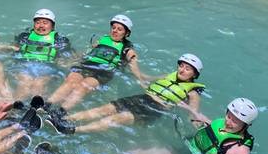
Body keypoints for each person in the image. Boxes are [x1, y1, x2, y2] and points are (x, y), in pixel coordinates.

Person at [66, 53, 205, 133]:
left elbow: (193, 113)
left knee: (118, 118)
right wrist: (134, 68)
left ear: (194, 74)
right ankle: (65, 120)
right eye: (181, 66)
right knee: (105, 108)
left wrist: (197, 124)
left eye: (187, 69)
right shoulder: (168, 76)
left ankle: (74, 130)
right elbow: (145, 77)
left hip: (155, 109)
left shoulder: (193, 93)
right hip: (141, 98)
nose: (182, 70)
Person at [43, 15, 144, 123]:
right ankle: (47, 106)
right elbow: (88, 53)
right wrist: (72, 60)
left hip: (102, 72)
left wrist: (140, 78)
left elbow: (133, 62)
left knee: (83, 86)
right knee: (70, 81)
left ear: (126, 34)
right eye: (113, 28)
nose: (115, 31)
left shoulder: (126, 48)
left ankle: (61, 112)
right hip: (86, 65)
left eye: (119, 29)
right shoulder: (103, 40)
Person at [181, 97, 259, 154]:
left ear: (246, 125)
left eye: (234, 121)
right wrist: (191, 110)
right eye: (228, 116)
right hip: (192, 150)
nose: (228, 122)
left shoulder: (240, 152)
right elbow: (213, 126)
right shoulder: (224, 124)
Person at [11, 8, 72, 101]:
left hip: (47, 66)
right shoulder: (24, 36)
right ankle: (15, 108)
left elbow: (67, 55)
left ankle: (37, 109)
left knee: (39, 84)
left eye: (45, 22)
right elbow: (13, 48)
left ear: (52, 26)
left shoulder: (59, 40)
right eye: (38, 22)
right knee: (25, 83)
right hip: (24, 64)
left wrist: (65, 62)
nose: (41, 25)